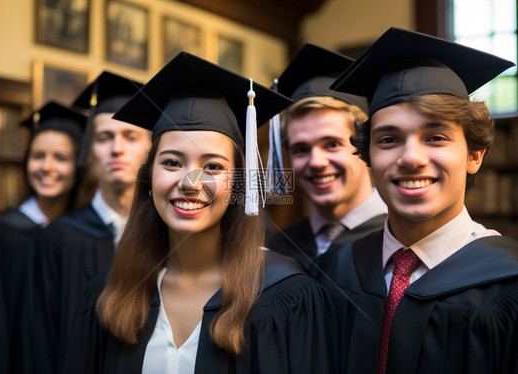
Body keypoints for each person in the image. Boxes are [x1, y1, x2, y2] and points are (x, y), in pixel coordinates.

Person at [62, 52, 337, 374]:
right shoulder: (109, 294)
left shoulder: (285, 296)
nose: (190, 183)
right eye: (172, 162)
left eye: (213, 166)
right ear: (148, 178)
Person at [312, 27, 518, 373]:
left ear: (474, 156)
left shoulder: (509, 284)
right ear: (368, 159)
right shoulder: (335, 269)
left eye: (435, 137)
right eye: (389, 139)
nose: (411, 158)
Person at [32, 71, 152, 374]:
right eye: (104, 137)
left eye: (130, 136)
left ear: (151, 148)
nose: (116, 148)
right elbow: (40, 340)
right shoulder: (59, 237)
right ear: (89, 150)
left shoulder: (167, 235)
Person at [0, 102, 87, 374]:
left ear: (78, 166)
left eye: (61, 158)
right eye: (38, 156)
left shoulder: (83, 237)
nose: (47, 167)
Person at [267, 43, 387, 270]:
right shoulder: (278, 247)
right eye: (301, 149)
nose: (316, 162)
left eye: (332, 144)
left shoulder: (401, 237)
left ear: (365, 144)